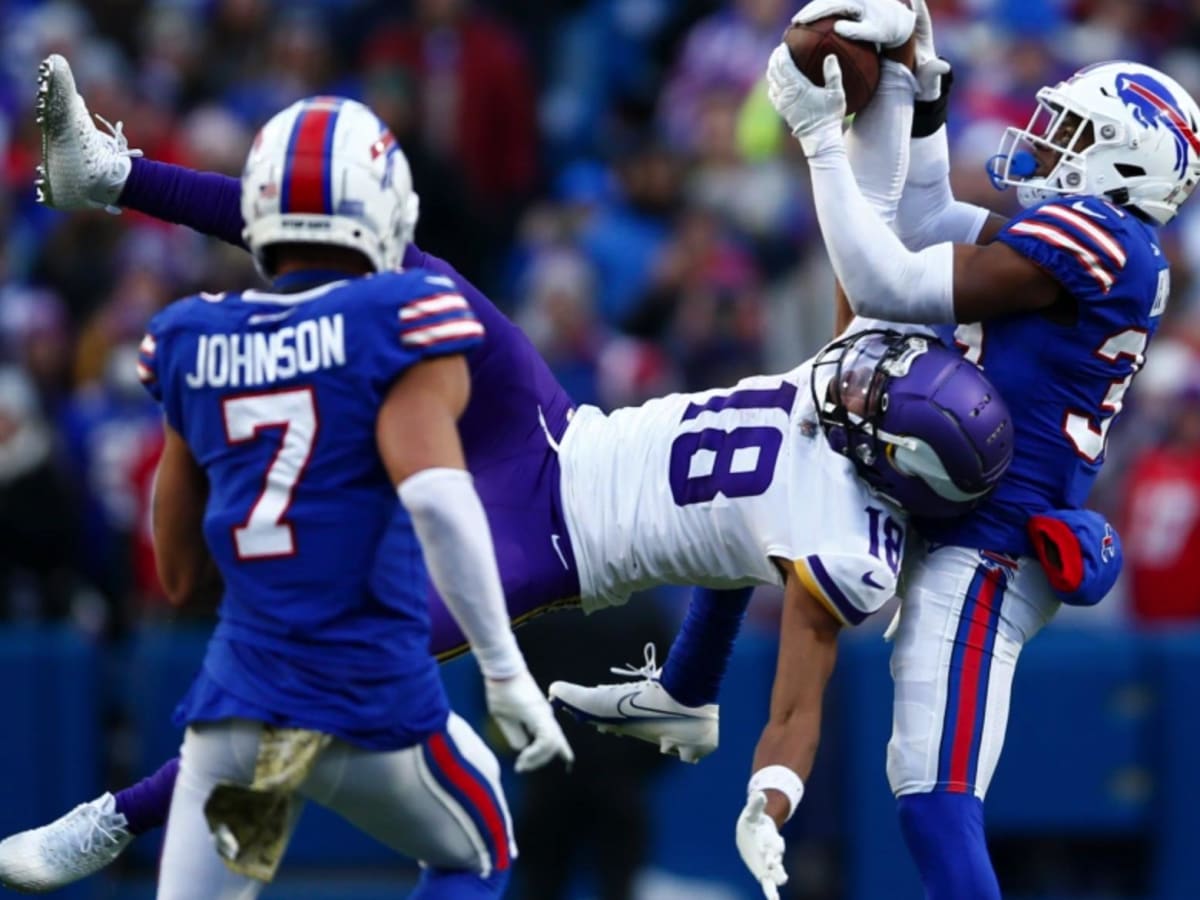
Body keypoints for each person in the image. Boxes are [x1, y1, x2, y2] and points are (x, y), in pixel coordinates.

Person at [1, 52, 1010, 893]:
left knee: (312, 681)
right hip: (555, 430)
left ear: (899, 460)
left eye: (880, 402)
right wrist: (917, 94)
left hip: (546, 544)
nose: (862, 382)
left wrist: (769, 795)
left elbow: (796, 699)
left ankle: (110, 820)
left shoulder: (852, 551)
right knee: (393, 250)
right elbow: (880, 250)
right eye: (883, 375)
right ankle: (115, 176)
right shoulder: (856, 393)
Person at [715, 0, 1195, 896]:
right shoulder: (1100, 241)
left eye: (1073, 133)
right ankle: (682, 685)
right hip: (955, 506)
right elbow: (925, 217)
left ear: (1127, 163)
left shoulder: (1104, 240)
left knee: (932, 795)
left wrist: (824, 143)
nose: (1045, 142)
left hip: (990, 545)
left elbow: (883, 276)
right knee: (754, 523)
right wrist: (920, 89)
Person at [121, 94, 571, 899]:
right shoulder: (401, 314)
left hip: (236, 699)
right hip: (370, 690)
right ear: (383, 203)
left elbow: (181, 578)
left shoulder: (191, 337)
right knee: (479, 851)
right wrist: (504, 673)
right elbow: (436, 501)